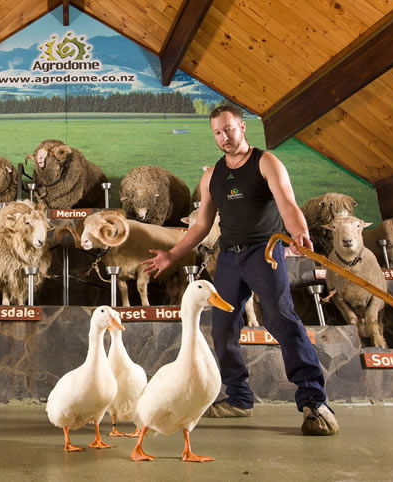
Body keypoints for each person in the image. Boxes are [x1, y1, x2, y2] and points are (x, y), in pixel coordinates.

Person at [142, 104, 339, 436]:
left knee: (280, 320)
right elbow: (202, 223)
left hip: (265, 251)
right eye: (218, 133)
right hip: (229, 257)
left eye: (229, 130)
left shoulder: (266, 162)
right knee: (223, 328)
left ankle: (314, 402)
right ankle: (239, 398)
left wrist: (298, 231)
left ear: (242, 128)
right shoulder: (212, 175)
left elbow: (287, 202)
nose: (224, 138)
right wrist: (172, 254)